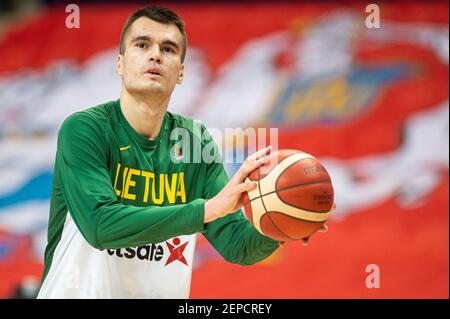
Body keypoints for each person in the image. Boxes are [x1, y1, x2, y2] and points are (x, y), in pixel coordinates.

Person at [37, 6, 327, 299]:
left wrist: (288, 220)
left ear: (180, 72)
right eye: (142, 45)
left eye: (168, 49)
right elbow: (99, 225)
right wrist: (206, 209)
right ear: (120, 64)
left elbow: (238, 244)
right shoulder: (85, 129)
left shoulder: (193, 143)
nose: (155, 55)